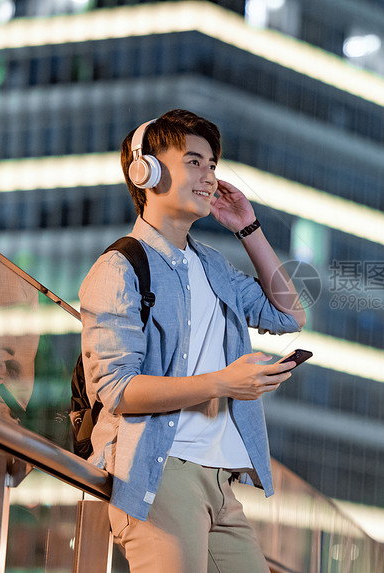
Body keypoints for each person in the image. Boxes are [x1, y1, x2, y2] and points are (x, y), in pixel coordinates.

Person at [79, 109, 306, 572]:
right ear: (147, 171)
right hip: (161, 473)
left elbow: (289, 314)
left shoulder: (212, 265)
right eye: (195, 162)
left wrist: (248, 228)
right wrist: (223, 383)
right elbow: (117, 390)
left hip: (220, 483)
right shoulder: (120, 267)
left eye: (213, 165)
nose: (210, 177)